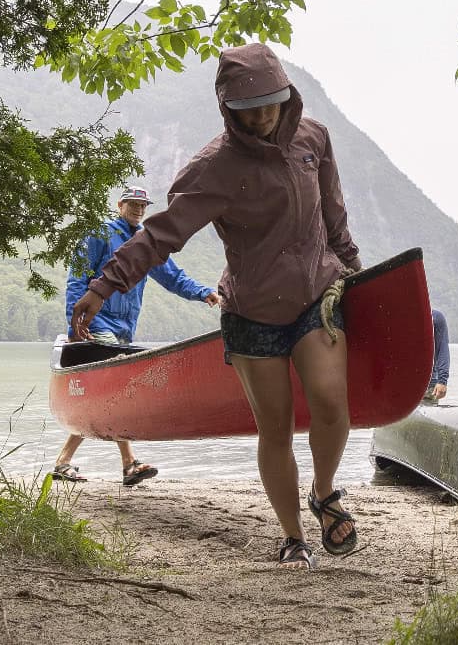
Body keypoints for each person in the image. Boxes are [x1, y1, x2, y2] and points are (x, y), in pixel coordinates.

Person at [70, 44, 361, 570]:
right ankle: (294, 536)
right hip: (251, 310)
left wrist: (355, 269)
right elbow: (160, 236)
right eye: (248, 109)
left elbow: (334, 212)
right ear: (228, 108)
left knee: (330, 401)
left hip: (317, 291)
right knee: (275, 429)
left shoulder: (312, 138)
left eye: (271, 103)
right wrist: (102, 287)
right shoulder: (215, 168)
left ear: (287, 95)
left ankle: (324, 493)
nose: (262, 116)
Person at [55, 185, 219, 485]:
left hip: (123, 329)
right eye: (133, 204)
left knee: (104, 396)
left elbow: (171, 276)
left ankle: (66, 461)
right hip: (97, 324)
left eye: (143, 206)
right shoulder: (101, 234)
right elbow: (77, 278)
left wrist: (203, 292)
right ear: (120, 205)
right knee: (115, 392)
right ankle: (129, 463)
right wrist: (75, 323)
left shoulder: (146, 242)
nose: (138, 210)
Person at [424, 309, 451, 403]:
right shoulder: (395, 316)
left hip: (428, 386)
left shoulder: (434, 316)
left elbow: (442, 349)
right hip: (397, 386)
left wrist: (442, 381)